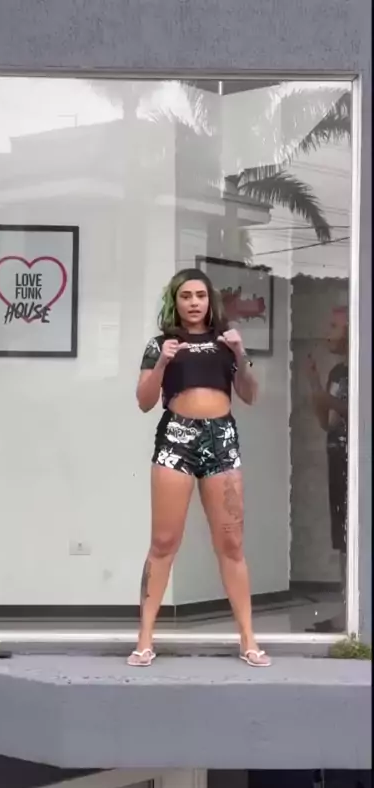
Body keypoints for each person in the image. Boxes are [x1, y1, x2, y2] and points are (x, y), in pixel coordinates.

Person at [127, 267, 271, 668]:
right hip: (177, 436)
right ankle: (144, 639)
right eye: (186, 296)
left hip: (221, 438)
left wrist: (240, 354)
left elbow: (251, 394)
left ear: (210, 301)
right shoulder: (161, 344)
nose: (194, 303)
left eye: (200, 296)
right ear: (175, 301)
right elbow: (143, 401)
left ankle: (248, 639)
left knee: (231, 543)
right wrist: (162, 363)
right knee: (163, 541)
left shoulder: (226, 342)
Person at [306, 306, 348, 611]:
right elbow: (328, 423)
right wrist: (314, 384)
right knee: (341, 530)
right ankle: (347, 596)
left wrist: (326, 398)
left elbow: (359, 412)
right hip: (336, 455)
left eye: (334, 326)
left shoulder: (362, 369)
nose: (328, 333)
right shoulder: (337, 373)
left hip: (355, 460)